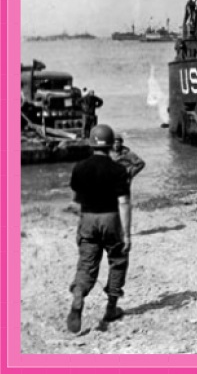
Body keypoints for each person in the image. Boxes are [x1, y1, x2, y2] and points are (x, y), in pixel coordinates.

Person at [67, 124, 132, 333]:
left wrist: (83, 222)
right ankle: (111, 308)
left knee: (86, 264)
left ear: (90, 142)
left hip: (88, 218)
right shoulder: (118, 169)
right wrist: (127, 233)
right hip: (111, 219)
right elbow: (123, 202)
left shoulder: (79, 168)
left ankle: (78, 295)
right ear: (112, 144)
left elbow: (76, 201)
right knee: (118, 260)